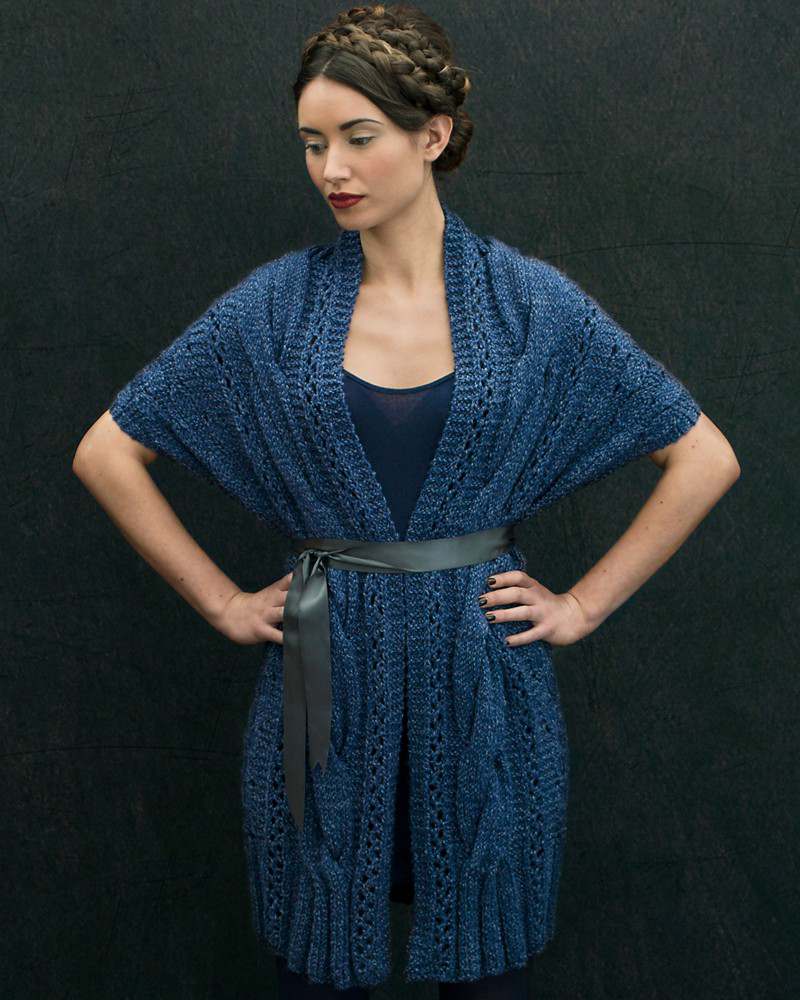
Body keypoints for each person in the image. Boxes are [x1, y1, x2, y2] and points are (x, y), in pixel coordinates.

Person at [73, 4, 741, 997]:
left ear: (432, 135)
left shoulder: (528, 305)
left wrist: (580, 605)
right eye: (312, 143)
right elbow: (107, 451)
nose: (330, 169)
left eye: (357, 137)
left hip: (483, 693)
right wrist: (221, 602)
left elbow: (701, 457)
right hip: (322, 680)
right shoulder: (274, 308)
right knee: (317, 958)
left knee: (486, 961)